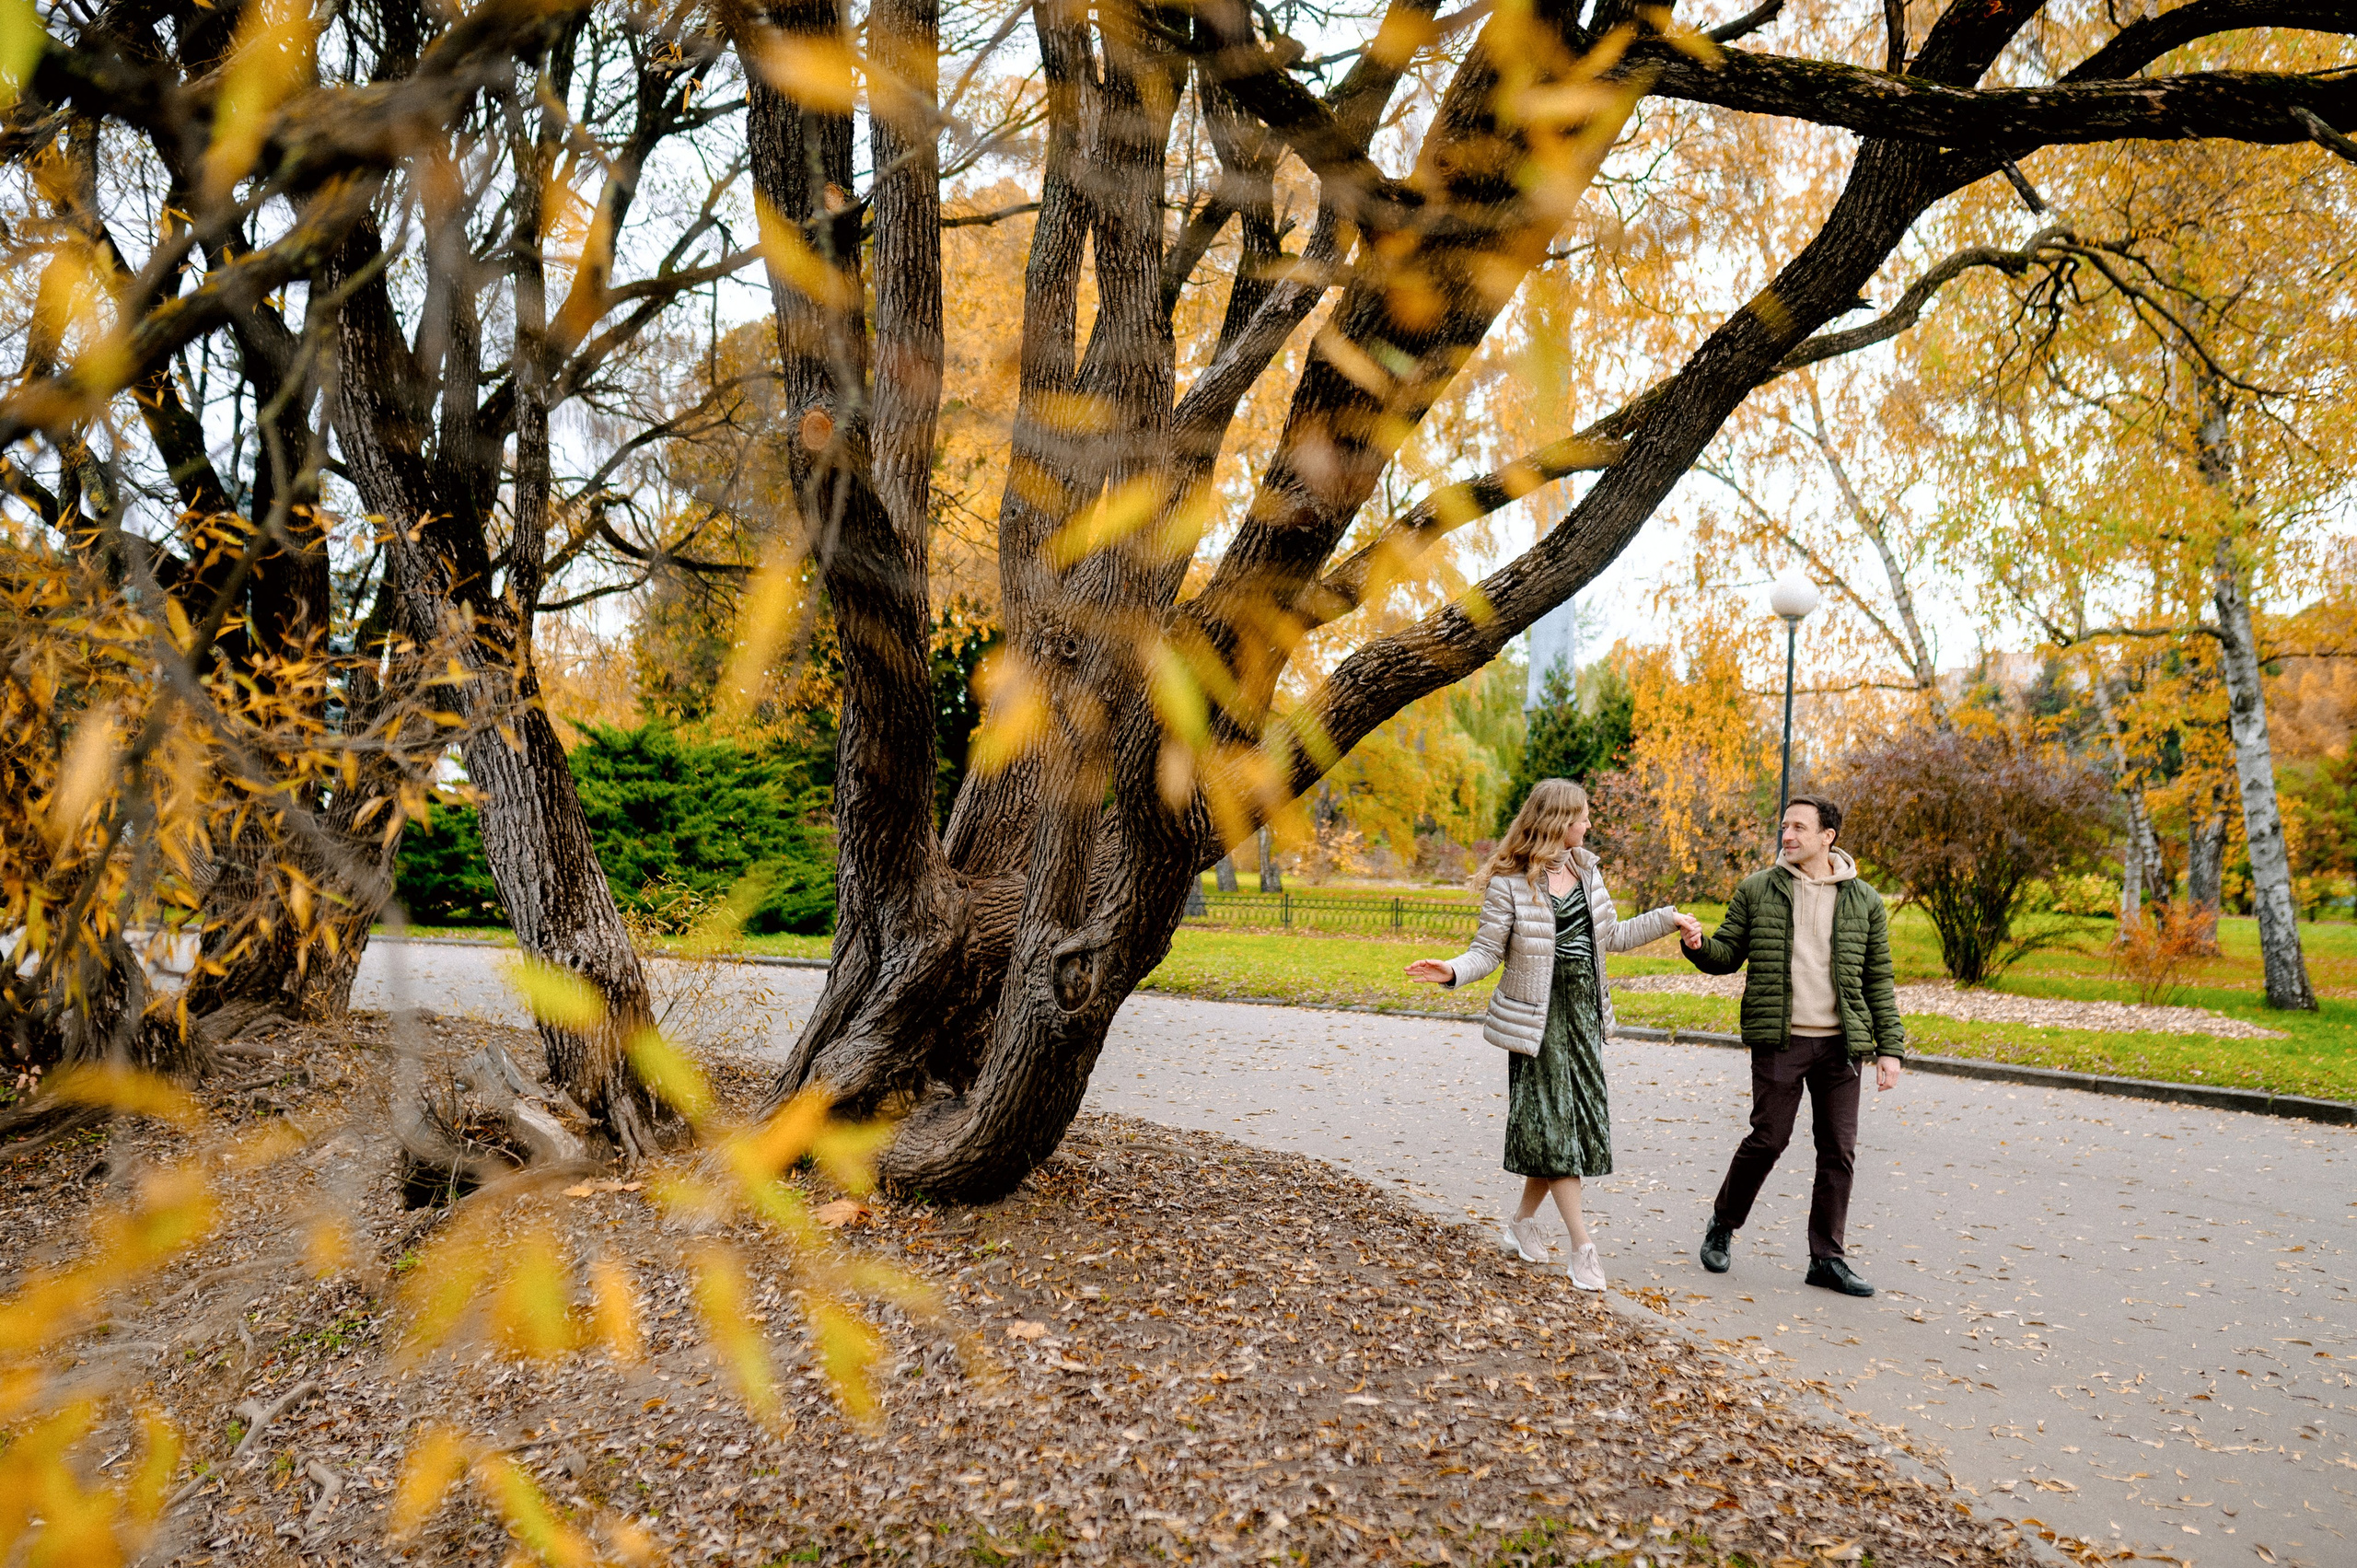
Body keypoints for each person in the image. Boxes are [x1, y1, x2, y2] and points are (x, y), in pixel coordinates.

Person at [1406, 779, 1701, 1292]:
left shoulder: (1587, 871)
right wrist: (1452, 971)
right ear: (1559, 820)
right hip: (1537, 1024)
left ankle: (1521, 1224)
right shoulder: (1511, 883)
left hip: (1583, 1018)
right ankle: (1582, 1247)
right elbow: (1487, 951)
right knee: (1558, 1132)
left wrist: (1667, 919)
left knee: (1562, 1130)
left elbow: (1611, 938)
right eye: (1583, 816)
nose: (1589, 825)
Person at [1680, 794, 1904, 1297]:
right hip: (1781, 1039)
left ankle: (1826, 1258)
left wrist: (1889, 1048)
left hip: (1841, 1045)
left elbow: (1878, 981)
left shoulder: (1864, 900)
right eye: (1785, 826)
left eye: (1800, 827)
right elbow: (1727, 954)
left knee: (1838, 1152)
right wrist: (1697, 945)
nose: (1788, 835)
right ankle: (1723, 1224)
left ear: (1828, 837)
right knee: (1768, 1139)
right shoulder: (1758, 890)